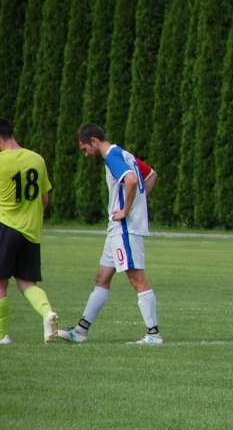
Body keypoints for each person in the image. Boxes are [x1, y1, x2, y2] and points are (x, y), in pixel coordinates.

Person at [58, 124, 162, 345]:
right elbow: (151, 175)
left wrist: (127, 210)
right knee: (102, 278)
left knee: (137, 279)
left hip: (124, 229)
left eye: (85, 149)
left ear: (94, 141)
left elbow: (132, 181)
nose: (85, 154)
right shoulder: (125, 154)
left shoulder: (112, 156)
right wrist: (138, 203)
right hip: (116, 230)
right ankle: (81, 331)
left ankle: (153, 335)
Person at [0, 118, 58, 345]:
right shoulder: (37, 159)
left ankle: (1, 335)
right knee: (27, 282)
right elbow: (45, 199)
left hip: (3, 229)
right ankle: (47, 313)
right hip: (30, 230)